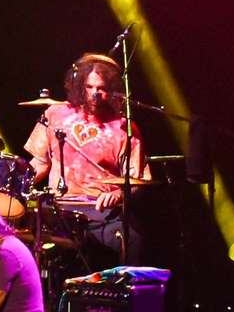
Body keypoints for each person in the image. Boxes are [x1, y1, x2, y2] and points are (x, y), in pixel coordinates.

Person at [25, 51, 146, 264]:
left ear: (113, 91)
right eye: (89, 87)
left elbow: (137, 180)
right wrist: (16, 186)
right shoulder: (56, 113)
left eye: (101, 89)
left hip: (101, 213)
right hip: (60, 210)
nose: (95, 94)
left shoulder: (124, 128)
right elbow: (40, 163)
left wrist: (118, 194)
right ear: (80, 86)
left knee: (134, 240)